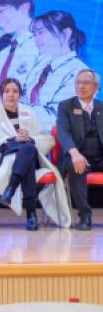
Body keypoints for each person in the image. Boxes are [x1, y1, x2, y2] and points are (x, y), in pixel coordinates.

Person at [0, 78, 71, 230]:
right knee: (28, 159)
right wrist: (11, 138)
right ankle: (31, 213)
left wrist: (31, 138)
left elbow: (47, 139)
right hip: (6, 158)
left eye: (15, 91)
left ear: (20, 95)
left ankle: (11, 189)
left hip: (31, 155)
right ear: (1, 94)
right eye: (7, 91)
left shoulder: (29, 113)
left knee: (28, 148)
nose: (11, 95)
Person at [56, 69, 103, 231]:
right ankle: (84, 214)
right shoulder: (66, 106)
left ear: (96, 87)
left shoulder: (101, 107)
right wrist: (75, 153)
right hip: (75, 155)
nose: (81, 86)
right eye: (78, 82)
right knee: (76, 166)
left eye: (86, 83)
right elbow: (63, 132)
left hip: (99, 157)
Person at [24, 11, 89, 128]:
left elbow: (58, 117)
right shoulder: (42, 64)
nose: (36, 39)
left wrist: (15, 111)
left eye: (41, 32)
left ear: (66, 33)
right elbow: (25, 97)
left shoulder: (81, 74)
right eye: (34, 34)